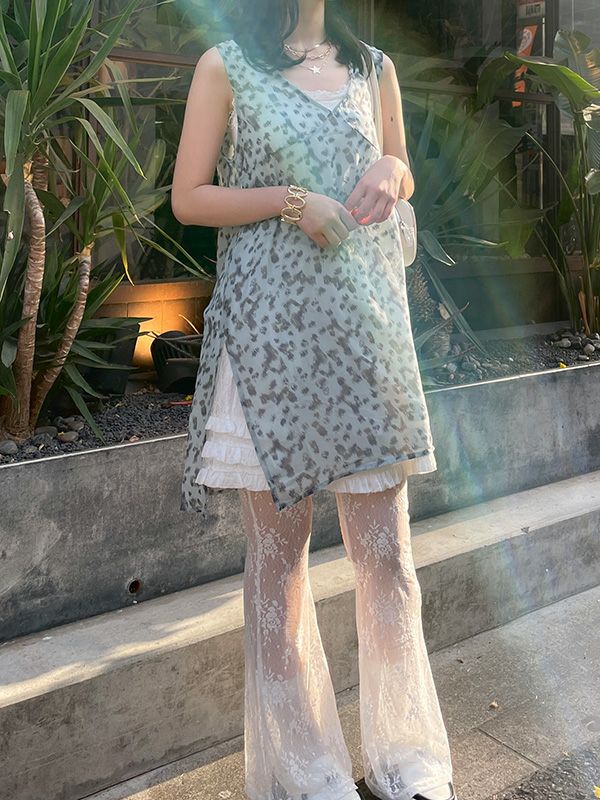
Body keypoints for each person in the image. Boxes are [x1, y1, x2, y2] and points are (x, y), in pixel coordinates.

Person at [172, 1, 456, 798]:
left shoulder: (374, 68)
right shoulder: (226, 66)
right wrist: (291, 201)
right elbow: (189, 197)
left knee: (387, 557)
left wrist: (390, 171)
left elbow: (402, 168)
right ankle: (307, 771)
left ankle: (408, 759)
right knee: (280, 561)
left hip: (365, 337)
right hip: (269, 339)